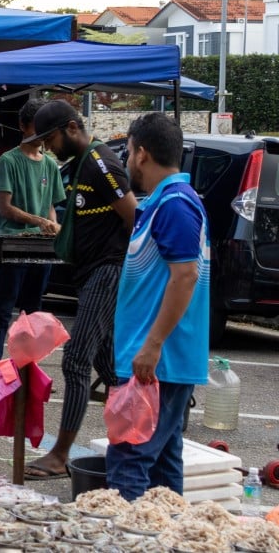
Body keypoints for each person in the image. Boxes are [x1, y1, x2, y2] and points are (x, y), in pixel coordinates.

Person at [24, 99, 138, 480]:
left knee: (75, 359)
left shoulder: (100, 161)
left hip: (107, 271)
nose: (47, 146)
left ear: (72, 128)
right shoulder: (78, 165)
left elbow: (133, 216)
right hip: (91, 273)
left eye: (50, 137)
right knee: (111, 367)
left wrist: (123, 267)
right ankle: (139, 443)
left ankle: (59, 455)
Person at [105, 112, 209, 501]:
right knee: (163, 471)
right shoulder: (164, 202)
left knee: (129, 463)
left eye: (129, 152)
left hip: (156, 365)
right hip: (155, 362)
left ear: (143, 154)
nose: (128, 160)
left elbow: (186, 277)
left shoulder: (176, 205)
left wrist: (152, 345)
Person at [0, 99, 66, 374]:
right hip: (12, 244)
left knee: (34, 315)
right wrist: (39, 221)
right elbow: (5, 208)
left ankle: (28, 372)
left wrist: (52, 226)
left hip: (41, 248)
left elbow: (52, 207)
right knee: (2, 312)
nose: (41, 135)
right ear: (22, 126)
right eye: (36, 128)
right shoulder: (8, 160)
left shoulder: (52, 165)